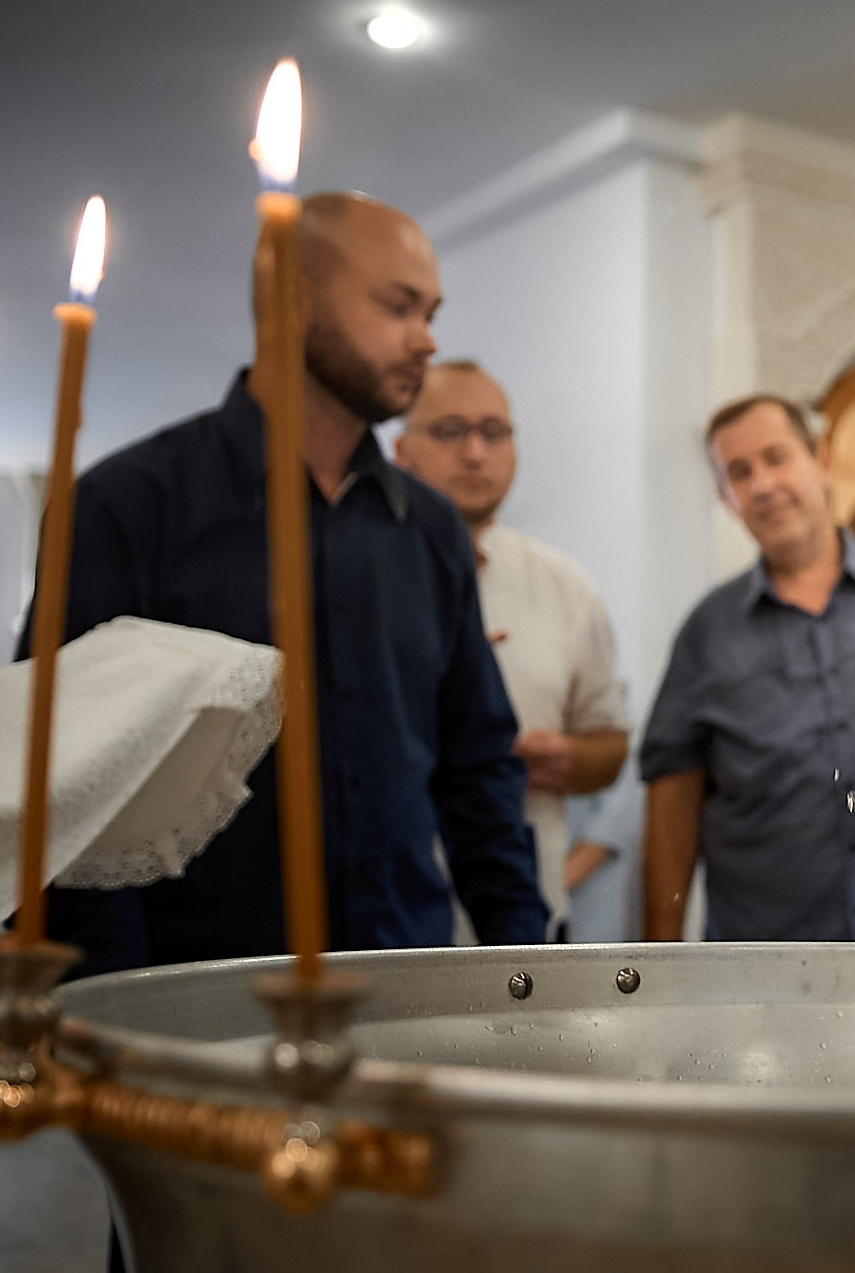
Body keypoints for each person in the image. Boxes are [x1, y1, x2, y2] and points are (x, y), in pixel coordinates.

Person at [34, 192, 547, 973]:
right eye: (399, 306)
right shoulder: (132, 503)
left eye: (432, 311)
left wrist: (525, 972)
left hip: (402, 981)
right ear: (293, 299)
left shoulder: (431, 529)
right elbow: (68, 780)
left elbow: (477, 767)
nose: (427, 340)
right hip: (194, 995)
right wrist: (112, 1006)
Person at [640, 394, 855, 942]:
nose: (762, 484)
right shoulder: (708, 631)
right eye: (740, 472)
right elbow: (673, 800)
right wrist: (657, 956)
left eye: (776, 457)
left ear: (821, 459)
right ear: (726, 497)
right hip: (768, 952)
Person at [395, 359, 630, 940]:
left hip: (525, 914)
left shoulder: (565, 587)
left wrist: (565, 758)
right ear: (401, 449)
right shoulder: (367, 581)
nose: (475, 452)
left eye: (494, 432)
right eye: (450, 431)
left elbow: (611, 745)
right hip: (392, 917)